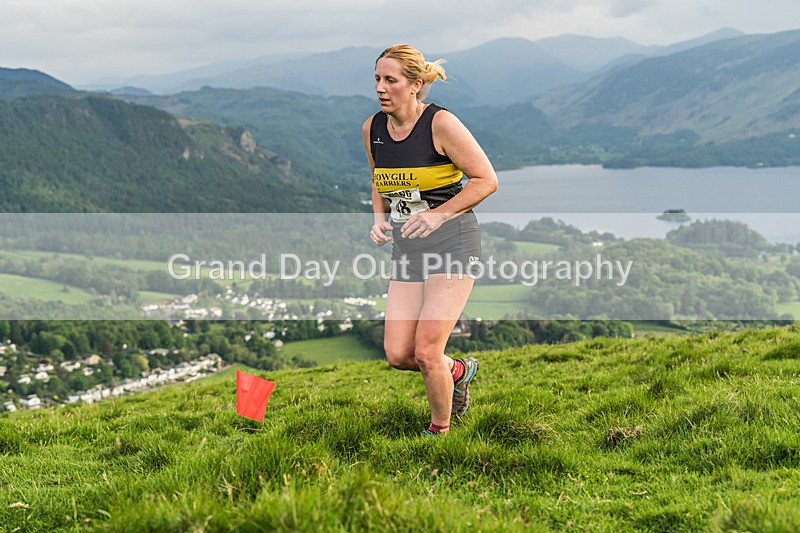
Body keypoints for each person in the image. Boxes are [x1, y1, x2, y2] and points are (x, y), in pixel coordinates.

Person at [361, 44, 498, 436]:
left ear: (416, 85)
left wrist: (438, 215)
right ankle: (460, 370)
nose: (381, 88)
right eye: (377, 79)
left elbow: (487, 180)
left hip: (453, 241)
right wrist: (378, 221)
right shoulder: (372, 129)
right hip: (407, 248)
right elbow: (379, 182)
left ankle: (439, 433)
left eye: (391, 80)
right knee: (399, 354)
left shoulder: (440, 124)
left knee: (426, 350)